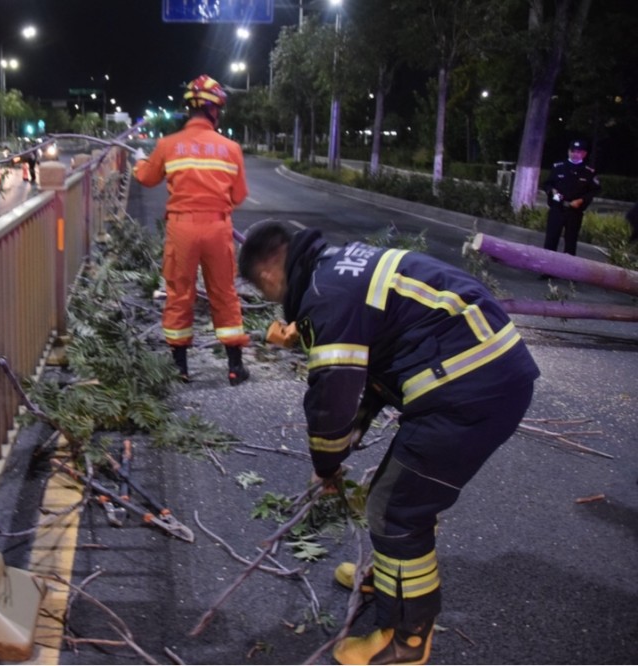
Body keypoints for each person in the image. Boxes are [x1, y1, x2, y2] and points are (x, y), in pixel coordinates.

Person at [237, 221, 540, 665]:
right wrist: (345, 443)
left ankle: (406, 640)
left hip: (471, 389)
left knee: (395, 510)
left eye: (264, 293)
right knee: (398, 494)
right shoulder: (340, 267)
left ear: (266, 275)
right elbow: (376, 372)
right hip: (480, 371)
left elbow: (331, 399)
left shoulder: (327, 299)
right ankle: (391, 578)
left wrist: (326, 463)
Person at [133, 74, 250, 385]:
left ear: (189, 109)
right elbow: (238, 196)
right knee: (224, 293)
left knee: (179, 293)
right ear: (215, 110)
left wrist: (138, 161)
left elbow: (146, 178)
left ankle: (180, 368)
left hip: (181, 229)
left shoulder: (168, 144)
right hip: (216, 227)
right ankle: (235, 366)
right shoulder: (231, 148)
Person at [540, 139, 601, 258]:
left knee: (570, 242)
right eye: (572, 151)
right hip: (557, 208)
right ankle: (546, 271)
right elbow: (547, 184)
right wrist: (552, 191)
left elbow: (594, 190)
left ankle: (568, 271)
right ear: (568, 151)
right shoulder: (558, 167)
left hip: (574, 211)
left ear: (584, 154)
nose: (575, 154)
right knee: (551, 239)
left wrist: (581, 200)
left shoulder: (588, 171)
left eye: (578, 151)